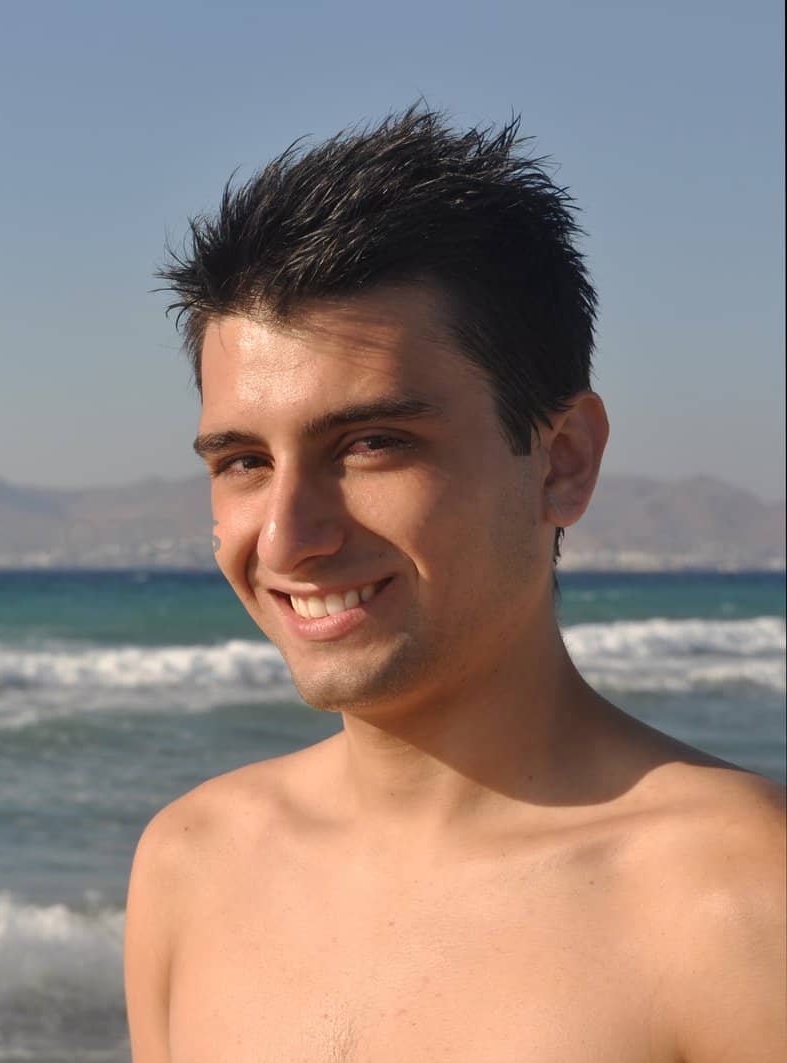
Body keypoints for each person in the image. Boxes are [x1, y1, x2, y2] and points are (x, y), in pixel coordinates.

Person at [125, 108, 786, 1062]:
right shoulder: (191, 863)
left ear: (560, 460)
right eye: (241, 461)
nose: (289, 537)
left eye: (372, 443)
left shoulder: (736, 901)